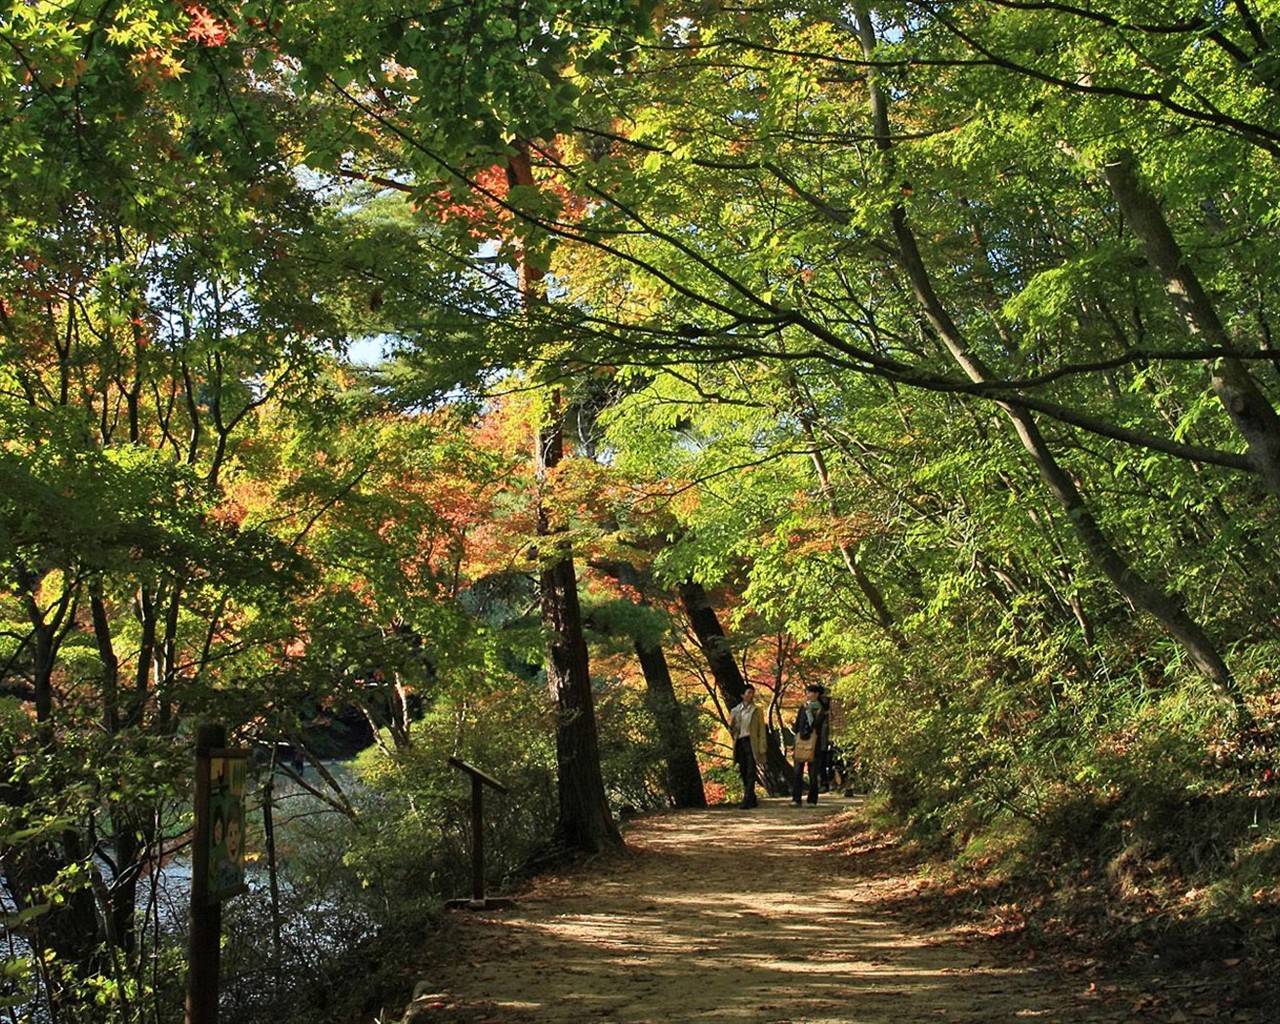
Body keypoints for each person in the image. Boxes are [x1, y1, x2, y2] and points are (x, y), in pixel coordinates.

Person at [728, 684, 766, 809]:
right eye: (748, 693)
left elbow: (762, 730)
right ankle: (752, 797)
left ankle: (746, 799)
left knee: (751, 771)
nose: (751, 695)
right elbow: (733, 731)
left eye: (752, 693)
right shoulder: (735, 710)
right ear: (742, 695)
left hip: (751, 742)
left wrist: (762, 746)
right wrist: (732, 725)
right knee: (743, 770)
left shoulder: (756, 711)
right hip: (740, 742)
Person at [791, 684, 827, 806]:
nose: (808, 695)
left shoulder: (821, 709)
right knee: (797, 771)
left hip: (814, 743)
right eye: (807, 692)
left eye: (811, 693)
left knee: (812, 772)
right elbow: (797, 725)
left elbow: (815, 725)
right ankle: (796, 798)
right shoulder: (803, 707)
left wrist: (809, 712)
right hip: (800, 741)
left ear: (817, 694)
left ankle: (812, 799)